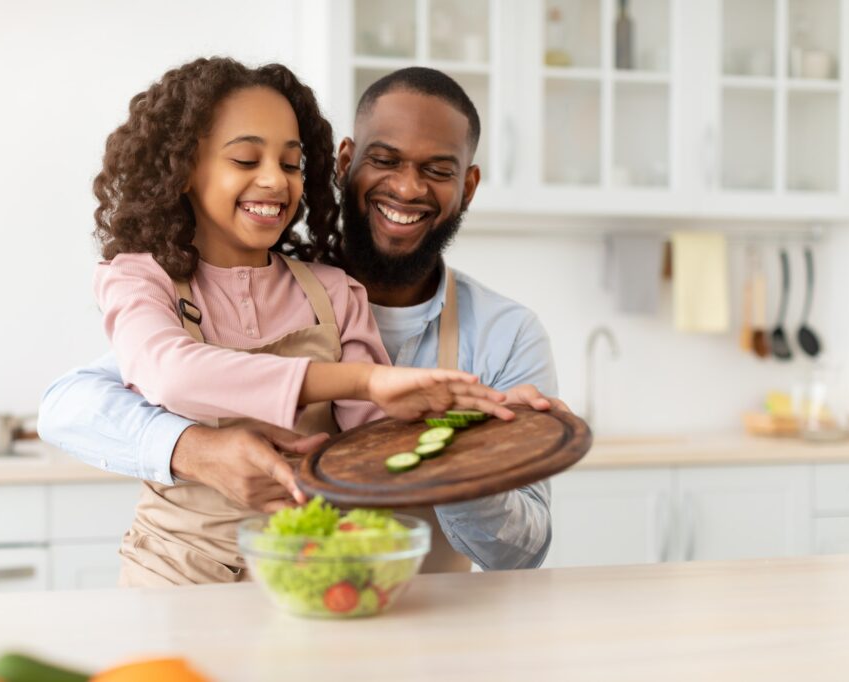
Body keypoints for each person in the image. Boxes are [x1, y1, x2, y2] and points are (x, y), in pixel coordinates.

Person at [40, 66, 566, 580]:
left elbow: (377, 439)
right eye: (246, 158)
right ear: (344, 162)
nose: (408, 188)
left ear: (468, 185)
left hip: (320, 585)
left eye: (290, 164)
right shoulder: (147, 282)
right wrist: (191, 448)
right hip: (172, 577)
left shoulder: (345, 295)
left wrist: (477, 426)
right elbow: (118, 388)